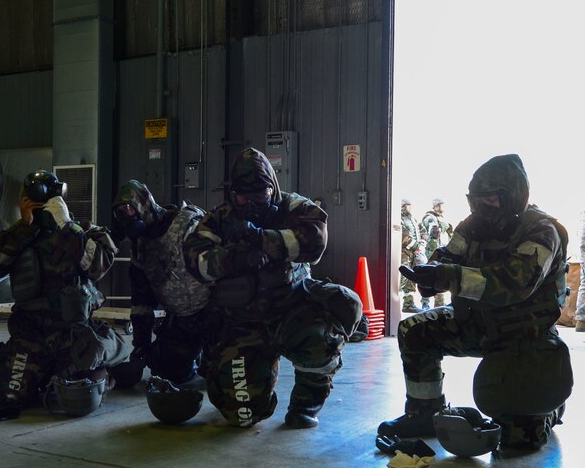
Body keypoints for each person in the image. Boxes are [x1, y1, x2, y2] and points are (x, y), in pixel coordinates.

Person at [380, 154, 572, 451]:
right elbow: (447, 257)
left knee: (517, 440)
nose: (481, 207)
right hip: (477, 324)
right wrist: (429, 275)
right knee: (415, 330)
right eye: (475, 200)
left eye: (491, 199)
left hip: (523, 337)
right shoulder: (471, 226)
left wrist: (448, 275)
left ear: (513, 196)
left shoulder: (542, 230)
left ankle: (547, 410)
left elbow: (514, 283)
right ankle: (423, 412)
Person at [183, 148, 364, 429]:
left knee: (319, 340)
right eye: (243, 197)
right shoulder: (219, 218)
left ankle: (306, 403)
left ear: (272, 189)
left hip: (290, 310)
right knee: (241, 416)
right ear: (233, 193)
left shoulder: (294, 207)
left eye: (259, 195)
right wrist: (235, 258)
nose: (251, 203)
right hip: (242, 321)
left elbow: (315, 242)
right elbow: (196, 260)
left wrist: (264, 240)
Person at [0, 170, 130, 415]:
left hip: (72, 333)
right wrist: (23, 226)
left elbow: (98, 266)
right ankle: (44, 376)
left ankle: (100, 369)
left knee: (81, 397)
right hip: (31, 332)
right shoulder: (17, 236)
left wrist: (66, 225)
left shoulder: (85, 231)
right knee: (6, 393)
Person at [108, 180, 215, 390]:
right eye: (121, 211)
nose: (127, 214)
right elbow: (142, 301)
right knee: (164, 369)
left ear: (144, 204)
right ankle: (192, 358)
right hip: (182, 319)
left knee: (225, 376)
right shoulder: (140, 246)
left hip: (214, 313)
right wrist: (141, 344)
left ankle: (211, 358)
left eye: (130, 207)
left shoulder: (187, 224)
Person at [419, 198, 454, 309]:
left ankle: (439, 304)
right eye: (440, 205)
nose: (442, 207)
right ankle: (426, 304)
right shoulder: (431, 218)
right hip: (434, 251)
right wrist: (435, 246)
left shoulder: (441, 219)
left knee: (440, 275)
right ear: (436, 206)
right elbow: (434, 231)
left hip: (441, 250)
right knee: (430, 275)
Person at [399, 198, 426, 313]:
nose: (409, 208)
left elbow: (423, 233)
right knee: (403, 278)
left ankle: (409, 304)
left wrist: (421, 245)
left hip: (415, 253)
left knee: (411, 278)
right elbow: (403, 237)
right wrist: (416, 246)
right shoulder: (399, 219)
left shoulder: (414, 220)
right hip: (404, 253)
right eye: (407, 205)